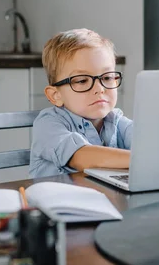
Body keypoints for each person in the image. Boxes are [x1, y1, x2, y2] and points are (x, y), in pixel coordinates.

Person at [29, 28, 133, 178]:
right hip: (56, 199)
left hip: (100, 198)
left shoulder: (116, 121)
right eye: (82, 80)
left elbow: (148, 142)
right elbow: (81, 157)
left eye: (107, 77)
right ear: (55, 95)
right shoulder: (48, 124)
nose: (100, 89)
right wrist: (139, 160)